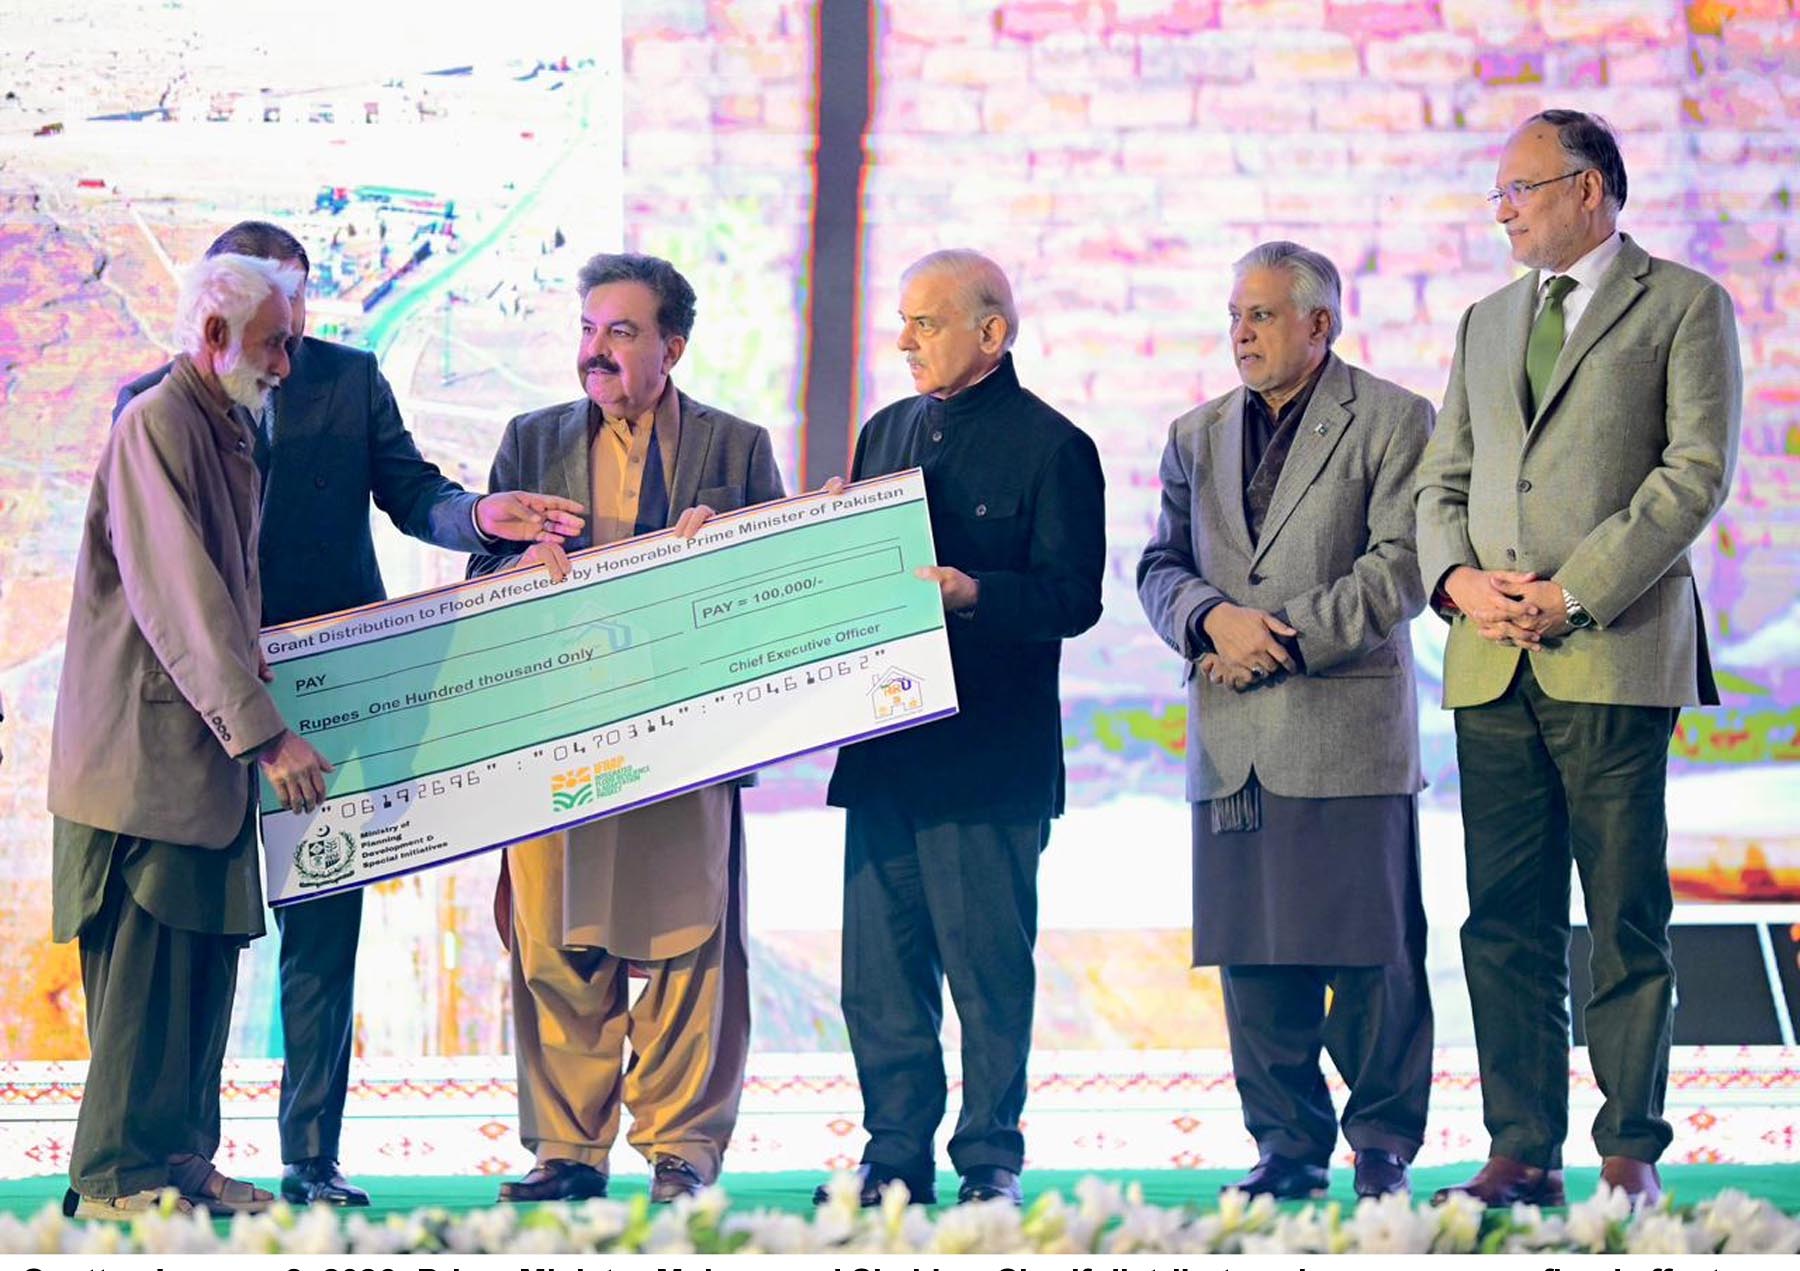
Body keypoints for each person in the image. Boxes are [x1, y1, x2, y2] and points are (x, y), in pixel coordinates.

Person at [116, 222, 583, 1208]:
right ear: (228, 306)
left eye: (300, 301)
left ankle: (311, 1156)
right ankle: (185, 1155)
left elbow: (414, 493)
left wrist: (479, 516)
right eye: (275, 306)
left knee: (325, 925)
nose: (292, 329)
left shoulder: (350, 378)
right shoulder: (153, 406)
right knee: (199, 931)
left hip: (335, 697)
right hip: (210, 703)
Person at [1416, 111, 1742, 1209]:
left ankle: (1629, 1150)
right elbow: (1441, 480)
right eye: (1499, 193)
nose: (1502, 210)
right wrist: (1458, 583)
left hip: (1611, 649)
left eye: (1520, 188)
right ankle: (1521, 1151)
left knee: (1623, 915)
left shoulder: (1685, 303)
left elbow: (1693, 474)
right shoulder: (1485, 320)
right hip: (1489, 660)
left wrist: (1573, 591)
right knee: (1501, 919)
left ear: (1589, 188)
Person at [471, 252, 783, 1204]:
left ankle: (682, 1147)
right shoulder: (530, 440)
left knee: (692, 945)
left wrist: (728, 554)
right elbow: (481, 583)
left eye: (620, 331)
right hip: (557, 734)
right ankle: (567, 1149)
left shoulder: (736, 446)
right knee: (552, 942)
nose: (595, 350)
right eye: (587, 329)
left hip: (686, 740)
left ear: (672, 347)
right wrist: (514, 571)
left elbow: (776, 589)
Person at [1137, 242, 1435, 1201]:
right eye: (1234, 315)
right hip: (1234, 737)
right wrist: (1207, 620)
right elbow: (1159, 565)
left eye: (1261, 315)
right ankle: (1287, 1149)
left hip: (1346, 729)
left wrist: (1277, 638)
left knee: (1373, 954)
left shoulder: (1394, 418)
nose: (1241, 333)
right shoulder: (1194, 433)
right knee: (1254, 957)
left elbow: (1403, 566)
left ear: (1320, 324)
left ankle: (1382, 1146)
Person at [819, 250, 1106, 1208]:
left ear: (992, 332)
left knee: (988, 978)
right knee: (879, 977)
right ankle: (892, 1154)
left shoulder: (1055, 447)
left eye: (926, 322)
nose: (903, 340)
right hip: (887, 753)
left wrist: (975, 593)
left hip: (990, 760)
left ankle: (990, 1159)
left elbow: (1074, 598)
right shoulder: (885, 430)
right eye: (902, 320)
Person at [51, 253, 335, 1219]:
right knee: (145, 979)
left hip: (197, 766)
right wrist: (268, 739)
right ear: (215, 337)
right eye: (273, 345)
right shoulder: (157, 424)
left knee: (200, 974)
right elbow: (182, 603)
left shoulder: (224, 428)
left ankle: (179, 1160)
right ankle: (117, 1175)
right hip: (142, 768)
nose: (286, 366)